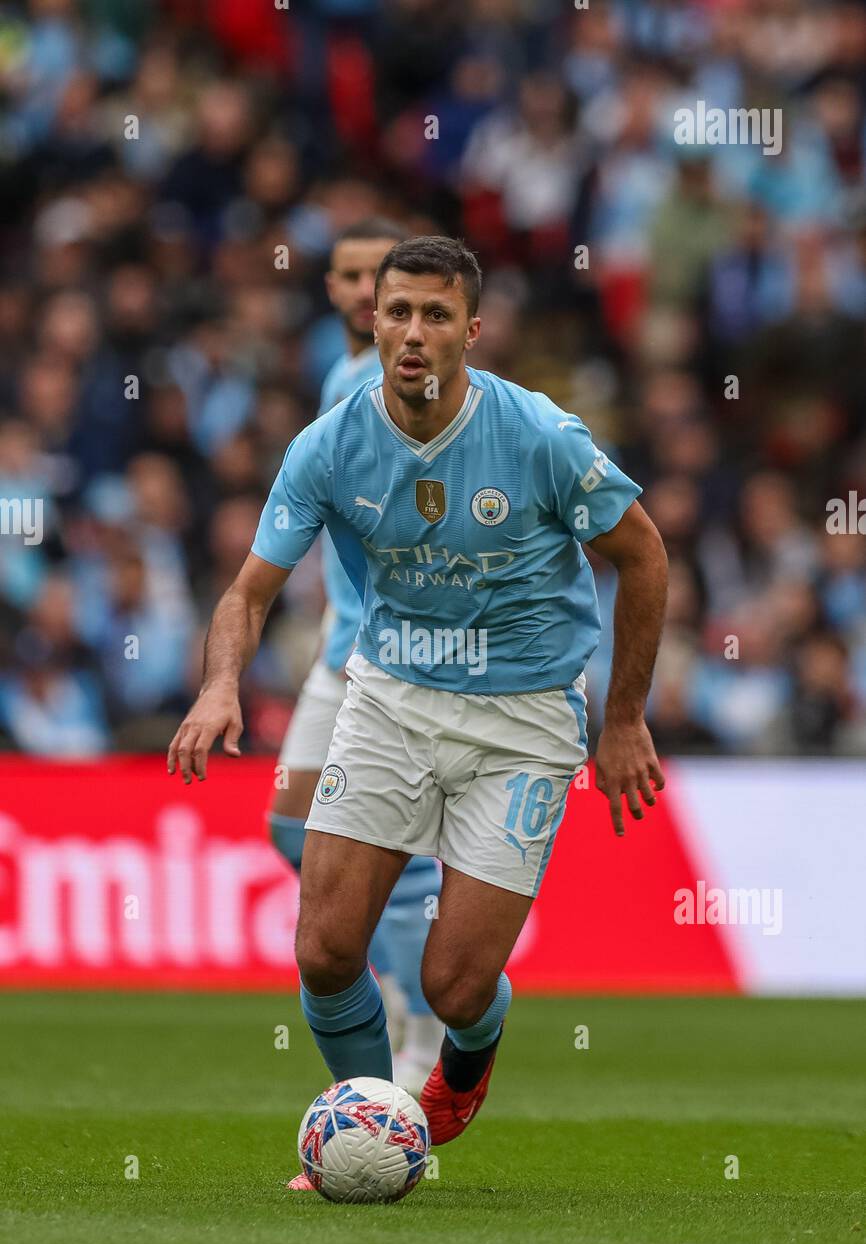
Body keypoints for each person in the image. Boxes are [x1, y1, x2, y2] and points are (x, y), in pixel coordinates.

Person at [167, 236, 668, 1191]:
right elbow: (247, 592)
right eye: (397, 312)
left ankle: (468, 1059)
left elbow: (644, 558)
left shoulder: (541, 438)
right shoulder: (329, 445)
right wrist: (219, 683)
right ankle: (373, 1129)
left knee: (454, 986)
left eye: (436, 316)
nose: (412, 332)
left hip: (523, 719)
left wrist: (624, 718)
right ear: (372, 321)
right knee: (323, 950)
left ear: (471, 332)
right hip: (391, 700)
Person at [267, 218, 444, 1094]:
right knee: (289, 824)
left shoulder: (405, 381)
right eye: (345, 275)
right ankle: (405, 981)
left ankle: (419, 1018)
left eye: (376, 276)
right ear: (334, 290)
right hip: (338, 648)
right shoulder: (338, 377)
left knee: (394, 851)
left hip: (384, 657)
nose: (358, 289)